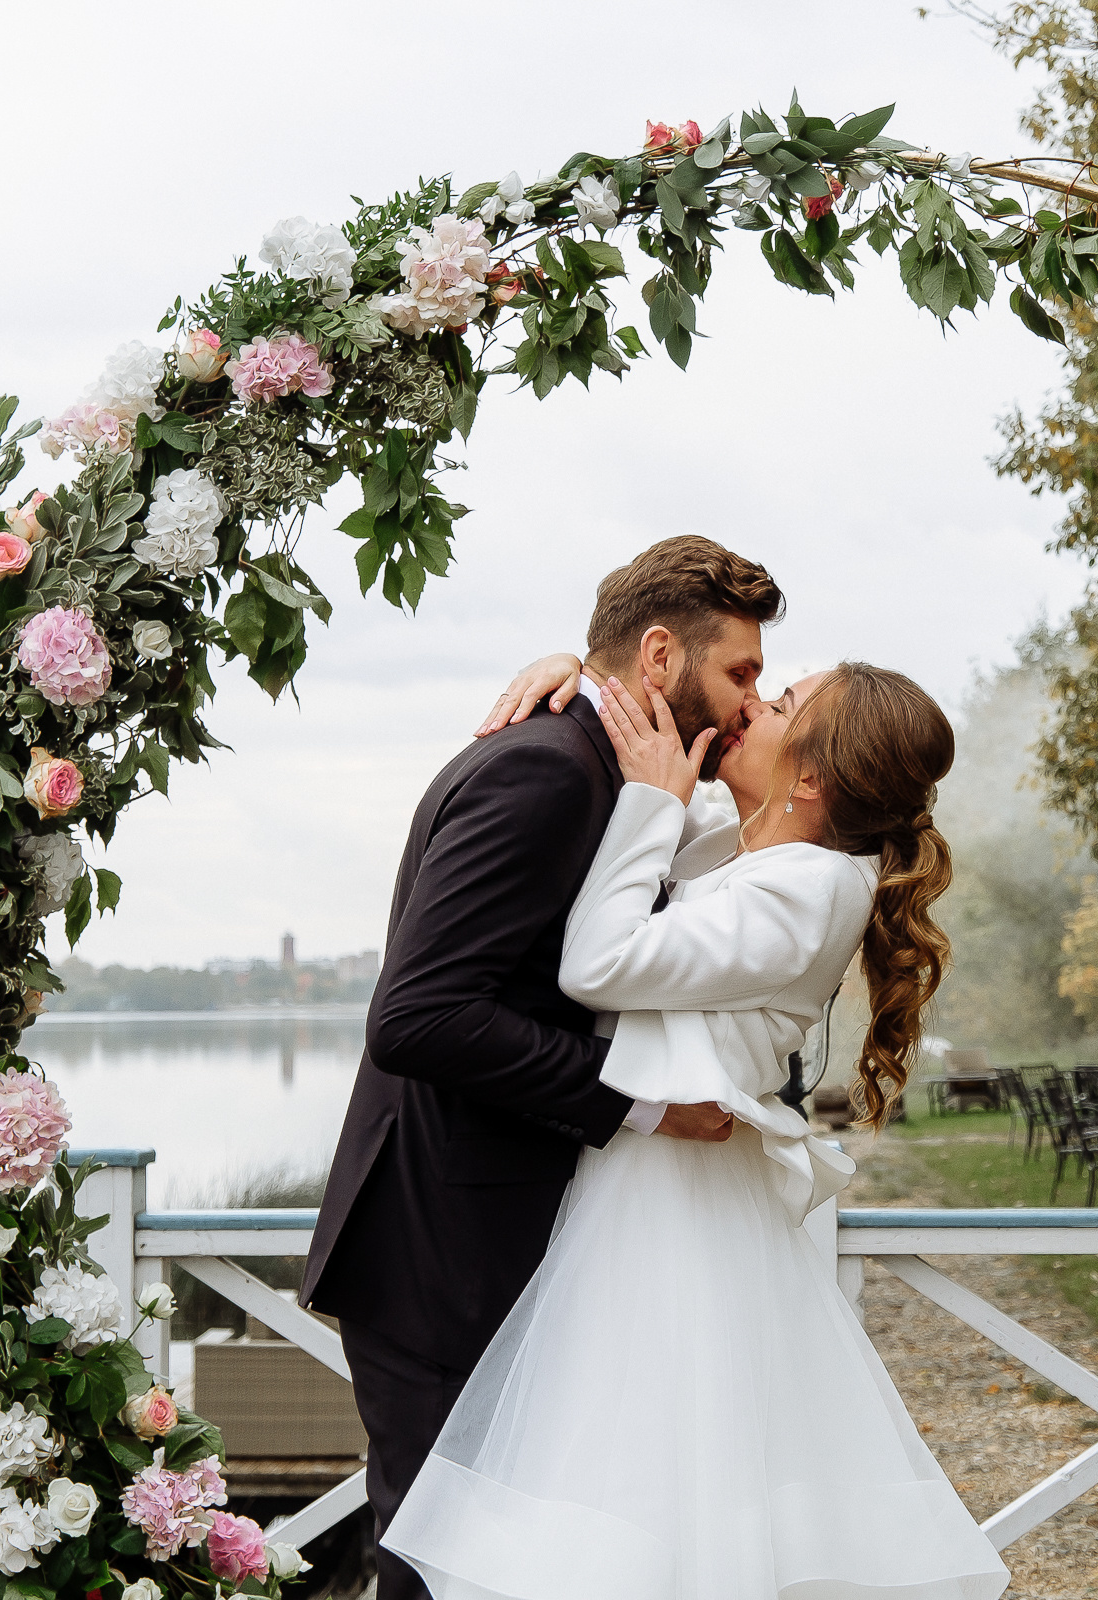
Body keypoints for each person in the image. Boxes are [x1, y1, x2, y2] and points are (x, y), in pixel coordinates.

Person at [380, 654, 1011, 1600]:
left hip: (672, 1218)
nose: (754, 705)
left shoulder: (809, 892)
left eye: (781, 703)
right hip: (645, 1191)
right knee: (629, 1492)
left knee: (654, 1493)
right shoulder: (767, 852)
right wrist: (586, 671)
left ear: (810, 780)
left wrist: (647, 804)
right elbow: (683, 798)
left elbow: (599, 963)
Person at [298, 536, 788, 1600]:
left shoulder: (607, 770)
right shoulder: (544, 770)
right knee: (440, 1569)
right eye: (740, 673)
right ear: (660, 658)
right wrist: (644, 1108)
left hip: (496, 1240)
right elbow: (421, 1017)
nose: (752, 702)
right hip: (445, 1250)